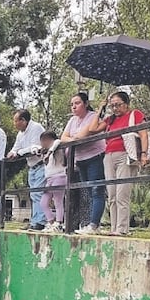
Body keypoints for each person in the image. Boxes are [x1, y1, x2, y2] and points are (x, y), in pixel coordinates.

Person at [90, 91, 150, 236]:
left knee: (122, 193)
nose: (115, 108)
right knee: (111, 194)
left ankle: (122, 228)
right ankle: (114, 227)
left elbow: (143, 134)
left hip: (125, 154)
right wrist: (100, 109)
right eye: (113, 106)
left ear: (126, 104)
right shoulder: (110, 119)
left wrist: (143, 154)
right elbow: (92, 129)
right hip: (109, 155)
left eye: (118, 105)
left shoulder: (134, 114)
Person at [60, 92, 107, 234]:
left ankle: (94, 224)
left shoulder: (93, 117)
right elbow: (63, 137)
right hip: (80, 159)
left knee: (97, 190)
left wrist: (73, 138)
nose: (74, 107)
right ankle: (90, 224)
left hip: (94, 157)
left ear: (86, 104)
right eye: (72, 104)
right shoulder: (72, 120)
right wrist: (72, 139)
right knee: (87, 191)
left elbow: (82, 136)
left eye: (77, 103)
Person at [6, 110, 46, 230]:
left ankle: (41, 221)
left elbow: (34, 147)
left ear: (23, 120)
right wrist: (12, 153)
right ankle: (35, 221)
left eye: (15, 121)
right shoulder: (20, 134)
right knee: (33, 195)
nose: (14, 124)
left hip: (41, 164)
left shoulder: (36, 128)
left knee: (38, 193)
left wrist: (18, 153)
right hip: (31, 166)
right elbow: (16, 147)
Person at [37, 130, 67, 232]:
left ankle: (59, 223)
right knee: (43, 202)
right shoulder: (45, 152)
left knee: (58, 201)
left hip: (59, 176)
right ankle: (51, 222)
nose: (43, 143)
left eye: (44, 140)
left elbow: (57, 141)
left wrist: (50, 152)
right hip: (49, 179)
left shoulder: (57, 147)